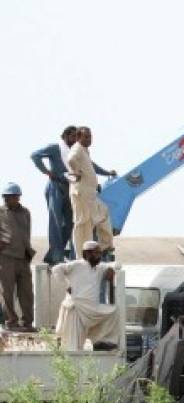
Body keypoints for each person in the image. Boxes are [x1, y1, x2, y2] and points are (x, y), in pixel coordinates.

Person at [51, 241, 120, 350]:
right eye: (96, 253)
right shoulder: (76, 265)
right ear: (87, 254)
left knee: (113, 312)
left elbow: (116, 265)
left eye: (100, 253)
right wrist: (67, 285)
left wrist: (111, 269)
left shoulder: (100, 267)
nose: (99, 256)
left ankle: (101, 341)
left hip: (91, 308)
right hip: (76, 308)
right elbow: (56, 269)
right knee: (73, 347)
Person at [30, 125, 81, 264]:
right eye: (73, 136)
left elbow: (90, 165)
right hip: (55, 188)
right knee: (55, 222)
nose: (75, 139)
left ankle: (56, 252)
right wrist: (46, 171)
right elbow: (35, 155)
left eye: (77, 136)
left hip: (69, 189)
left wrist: (105, 173)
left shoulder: (76, 151)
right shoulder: (55, 148)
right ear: (65, 136)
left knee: (70, 223)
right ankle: (56, 253)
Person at [65, 127, 117, 257]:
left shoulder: (84, 150)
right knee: (83, 223)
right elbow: (71, 159)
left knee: (103, 212)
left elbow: (90, 167)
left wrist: (106, 173)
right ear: (78, 138)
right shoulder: (76, 149)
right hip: (81, 194)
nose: (89, 139)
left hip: (89, 194)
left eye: (90, 136)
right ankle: (82, 255)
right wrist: (76, 172)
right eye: (86, 137)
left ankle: (105, 245)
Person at [0, 183, 35, 331]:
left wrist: (27, 251)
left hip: (23, 257)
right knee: (7, 291)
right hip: (6, 257)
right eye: (6, 197)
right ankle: (10, 321)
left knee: (27, 292)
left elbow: (26, 232)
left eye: (13, 196)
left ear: (18, 197)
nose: (9, 199)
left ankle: (27, 322)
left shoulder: (25, 212)